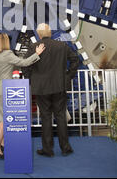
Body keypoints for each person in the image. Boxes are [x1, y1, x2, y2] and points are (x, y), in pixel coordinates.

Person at [23, 23, 79, 157]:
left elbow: (25, 66)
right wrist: (68, 76)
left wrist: (31, 80)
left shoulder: (33, 47)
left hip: (41, 88)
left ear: (39, 34)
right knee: (60, 117)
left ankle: (47, 149)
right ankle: (65, 148)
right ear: (50, 32)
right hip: (59, 86)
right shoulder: (62, 46)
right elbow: (75, 60)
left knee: (46, 117)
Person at [0, 33, 45, 159]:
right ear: (6, 43)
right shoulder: (8, 54)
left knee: (2, 118)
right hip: (6, 89)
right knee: (4, 120)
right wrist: (37, 54)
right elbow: (24, 63)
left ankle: (2, 144)